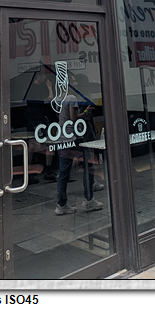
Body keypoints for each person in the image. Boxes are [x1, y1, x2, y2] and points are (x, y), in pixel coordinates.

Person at [55, 75, 103, 215]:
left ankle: (61, 204)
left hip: (62, 137)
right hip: (74, 137)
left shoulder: (58, 98)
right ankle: (89, 200)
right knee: (89, 166)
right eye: (73, 81)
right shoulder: (71, 98)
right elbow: (73, 118)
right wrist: (86, 112)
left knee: (63, 172)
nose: (75, 83)